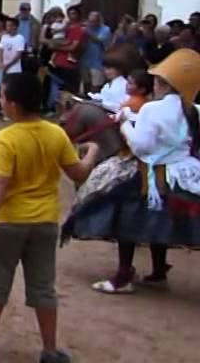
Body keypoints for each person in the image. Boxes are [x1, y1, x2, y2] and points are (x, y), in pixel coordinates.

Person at [0, 72, 99, 363]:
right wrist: (92, 152)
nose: (0, 101)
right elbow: (78, 173)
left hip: (10, 220)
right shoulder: (56, 133)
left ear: (13, 104)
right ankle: (49, 350)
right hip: (45, 220)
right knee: (43, 287)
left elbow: (0, 183)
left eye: (2, 97)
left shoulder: (8, 137)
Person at [77, 49, 200, 294]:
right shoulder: (193, 109)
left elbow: (141, 147)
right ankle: (158, 269)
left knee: (125, 214)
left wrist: (124, 124)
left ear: (163, 84)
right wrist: (132, 116)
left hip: (151, 171)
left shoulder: (152, 109)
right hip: (186, 172)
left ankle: (124, 276)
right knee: (158, 220)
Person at [0, 17, 25, 120]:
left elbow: (18, 54)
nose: (7, 27)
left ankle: (10, 112)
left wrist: (8, 65)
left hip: (14, 69)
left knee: (11, 90)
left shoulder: (20, 38)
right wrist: (1, 63)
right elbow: (0, 51)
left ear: (15, 27)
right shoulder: (4, 37)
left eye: (9, 25)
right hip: (2, 67)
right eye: (7, 25)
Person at [82, 11, 111, 94]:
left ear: (99, 21)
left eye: (94, 21)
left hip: (98, 62)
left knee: (96, 86)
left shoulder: (105, 29)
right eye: (90, 21)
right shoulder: (86, 28)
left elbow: (99, 40)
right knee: (86, 83)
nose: (91, 23)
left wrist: (87, 32)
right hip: (85, 60)